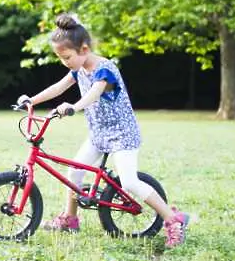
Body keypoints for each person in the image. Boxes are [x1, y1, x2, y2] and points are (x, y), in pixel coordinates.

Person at [17, 13, 190, 248]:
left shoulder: (105, 69)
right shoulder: (78, 69)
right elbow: (59, 87)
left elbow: (95, 93)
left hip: (122, 134)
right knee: (74, 172)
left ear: (84, 49)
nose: (64, 62)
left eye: (66, 57)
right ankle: (70, 218)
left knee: (129, 182)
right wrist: (32, 101)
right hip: (99, 133)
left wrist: (74, 107)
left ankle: (173, 219)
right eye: (61, 58)